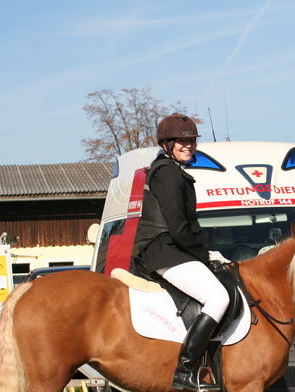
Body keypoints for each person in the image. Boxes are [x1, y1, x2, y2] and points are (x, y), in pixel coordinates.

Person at [132, 113, 228, 391]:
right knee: (217, 297)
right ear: (166, 144)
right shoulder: (167, 173)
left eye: (191, 141)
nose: (188, 145)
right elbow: (178, 226)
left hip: (171, 248)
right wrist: (204, 256)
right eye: (181, 141)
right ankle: (185, 369)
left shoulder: (173, 170)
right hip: (165, 249)